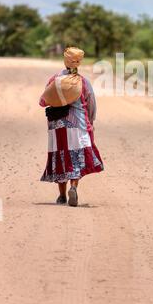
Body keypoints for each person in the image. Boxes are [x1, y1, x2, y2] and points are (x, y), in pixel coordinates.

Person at [39, 47, 104, 206]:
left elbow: (43, 101)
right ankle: (73, 187)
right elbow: (91, 104)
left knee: (60, 155)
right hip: (77, 123)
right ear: (78, 63)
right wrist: (90, 122)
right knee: (76, 157)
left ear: (65, 61)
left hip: (57, 124)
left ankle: (61, 196)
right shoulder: (83, 82)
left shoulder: (54, 79)